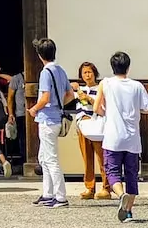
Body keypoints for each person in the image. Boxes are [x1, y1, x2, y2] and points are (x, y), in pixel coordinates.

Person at [92, 50, 148, 222]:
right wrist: (135, 110)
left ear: (112, 67)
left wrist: (108, 113)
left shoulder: (106, 83)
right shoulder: (137, 86)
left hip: (112, 136)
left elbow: (96, 108)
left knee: (112, 171)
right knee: (132, 174)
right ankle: (128, 211)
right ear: (128, 67)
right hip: (133, 138)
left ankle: (120, 195)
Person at [27, 38, 70, 207]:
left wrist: (34, 108)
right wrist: (58, 104)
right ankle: (48, 193)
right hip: (56, 117)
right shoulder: (60, 70)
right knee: (44, 158)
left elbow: (44, 97)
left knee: (51, 159)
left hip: (47, 119)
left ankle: (60, 196)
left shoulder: (45, 72)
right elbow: (69, 94)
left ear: (40, 55)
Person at [71, 60, 111, 201]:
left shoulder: (101, 88)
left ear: (94, 73)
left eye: (89, 72)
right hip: (83, 124)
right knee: (87, 158)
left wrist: (88, 98)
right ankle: (89, 187)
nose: (87, 75)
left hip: (97, 125)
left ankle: (106, 188)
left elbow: (103, 106)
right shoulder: (78, 90)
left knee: (102, 157)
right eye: (84, 73)